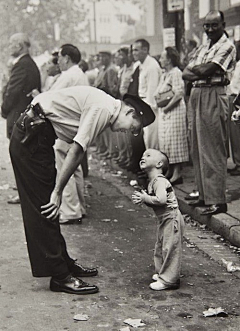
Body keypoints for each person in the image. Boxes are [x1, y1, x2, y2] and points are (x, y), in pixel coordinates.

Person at [9, 85, 155, 295]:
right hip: (30, 138)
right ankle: (59, 276)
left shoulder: (106, 107)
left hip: (37, 136)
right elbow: (76, 150)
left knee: (47, 206)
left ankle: (63, 262)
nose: (128, 133)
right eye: (133, 128)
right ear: (130, 112)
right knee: (44, 207)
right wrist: (58, 192)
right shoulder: (104, 109)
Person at [182, 10, 236, 215]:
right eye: (207, 25)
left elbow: (205, 71)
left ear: (223, 25)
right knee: (197, 146)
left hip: (214, 93)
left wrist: (197, 70)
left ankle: (218, 200)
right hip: (197, 94)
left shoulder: (227, 46)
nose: (210, 29)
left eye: (214, 25)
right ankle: (204, 196)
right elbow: (185, 72)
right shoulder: (204, 46)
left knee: (213, 147)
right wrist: (198, 70)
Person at [132, 149, 185, 290]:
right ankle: (163, 272)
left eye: (148, 155)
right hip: (164, 219)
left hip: (171, 218)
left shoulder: (160, 181)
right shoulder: (153, 181)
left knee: (170, 248)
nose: (143, 157)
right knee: (161, 246)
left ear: (159, 163)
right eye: (143, 155)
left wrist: (145, 198)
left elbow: (161, 200)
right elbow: (155, 201)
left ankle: (169, 280)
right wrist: (144, 199)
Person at [51, 44, 89, 225]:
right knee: (75, 166)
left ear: (66, 57)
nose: (58, 61)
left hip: (66, 125)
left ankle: (71, 211)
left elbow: (51, 96)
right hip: (78, 124)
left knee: (64, 167)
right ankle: (80, 206)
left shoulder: (68, 75)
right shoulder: (79, 74)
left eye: (59, 57)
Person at [1, 32, 41, 204]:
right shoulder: (29, 64)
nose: (9, 47)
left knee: (20, 156)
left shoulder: (22, 65)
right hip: (25, 116)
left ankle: (24, 194)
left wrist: (3, 109)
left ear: (20, 45)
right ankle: (26, 191)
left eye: (12, 44)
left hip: (19, 117)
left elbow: (12, 91)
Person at [154, 47, 189, 185]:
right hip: (165, 111)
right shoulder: (165, 74)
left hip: (174, 111)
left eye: (163, 57)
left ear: (169, 59)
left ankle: (177, 173)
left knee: (175, 141)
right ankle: (169, 170)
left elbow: (179, 93)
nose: (161, 60)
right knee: (166, 142)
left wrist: (167, 108)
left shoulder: (175, 73)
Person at [132, 39, 161, 149]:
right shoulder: (140, 65)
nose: (133, 53)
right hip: (142, 104)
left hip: (150, 107)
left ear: (145, 50)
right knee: (145, 138)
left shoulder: (152, 66)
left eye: (136, 50)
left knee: (151, 138)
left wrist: (148, 110)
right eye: (132, 50)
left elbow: (152, 91)